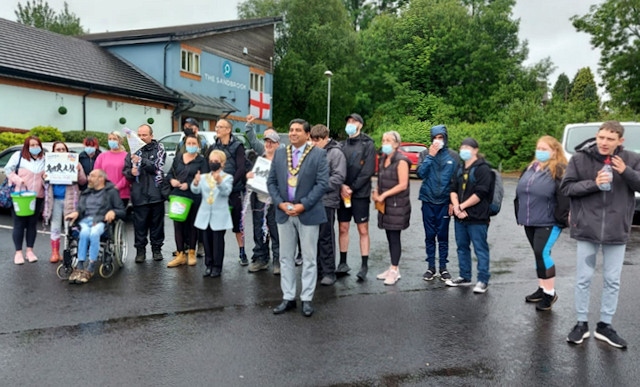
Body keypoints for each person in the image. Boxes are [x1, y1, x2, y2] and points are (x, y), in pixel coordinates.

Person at [561, 121, 640, 349]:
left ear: (620, 141)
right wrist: (593, 184)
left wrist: (626, 172)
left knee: (612, 281)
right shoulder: (579, 159)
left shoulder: (632, 159)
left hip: (617, 229)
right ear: (596, 136)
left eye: (610, 139)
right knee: (584, 279)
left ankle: (605, 325)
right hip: (587, 228)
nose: (604, 143)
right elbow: (567, 188)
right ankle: (581, 323)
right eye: (601, 137)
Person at [267, 118, 328, 317]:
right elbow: (271, 182)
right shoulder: (279, 154)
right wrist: (280, 203)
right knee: (286, 257)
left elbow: (322, 184)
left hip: (307, 212)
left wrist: (303, 205)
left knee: (309, 258)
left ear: (307, 134)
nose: (293, 133)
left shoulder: (319, 154)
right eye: (291, 130)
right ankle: (288, 297)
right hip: (284, 212)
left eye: (298, 130)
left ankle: (307, 299)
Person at [515, 136, 569, 311]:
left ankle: (550, 293)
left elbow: (565, 196)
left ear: (554, 151)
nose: (540, 152)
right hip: (530, 219)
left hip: (549, 220)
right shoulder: (531, 167)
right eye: (539, 148)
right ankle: (542, 288)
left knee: (542, 252)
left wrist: (562, 218)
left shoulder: (559, 169)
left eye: (545, 149)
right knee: (538, 254)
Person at [446, 137, 493, 294]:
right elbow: (452, 188)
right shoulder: (459, 168)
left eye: (468, 147)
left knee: (480, 249)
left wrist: (462, 206)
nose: (464, 150)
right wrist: (457, 207)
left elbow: (481, 193)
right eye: (462, 147)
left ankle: (483, 280)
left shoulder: (483, 168)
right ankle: (464, 276)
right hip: (460, 216)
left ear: (475, 150)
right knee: (462, 247)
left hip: (477, 217)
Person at [65, 169, 126, 284]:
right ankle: (80, 264)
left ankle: (91, 265)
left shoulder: (111, 192)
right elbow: (80, 208)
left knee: (93, 233)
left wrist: (113, 212)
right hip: (85, 221)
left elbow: (121, 210)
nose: (89, 178)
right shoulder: (86, 192)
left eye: (92, 176)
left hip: (101, 222)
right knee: (83, 233)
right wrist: (76, 213)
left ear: (101, 179)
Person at [417, 125, 459, 282]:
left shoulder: (453, 156)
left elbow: (456, 180)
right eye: (435, 137)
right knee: (429, 235)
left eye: (441, 137)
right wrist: (431, 156)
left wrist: (452, 202)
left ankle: (443, 268)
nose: (438, 140)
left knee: (443, 236)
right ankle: (430, 267)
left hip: (444, 203)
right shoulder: (424, 154)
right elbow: (420, 173)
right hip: (428, 200)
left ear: (445, 138)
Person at [337, 113, 376, 280]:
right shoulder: (341, 145)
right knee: (343, 228)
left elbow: (368, 170)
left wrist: (352, 188)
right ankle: (343, 262)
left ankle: (364, 265)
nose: (350, 124)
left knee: (362, 229)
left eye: (353, 122)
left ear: (360, 124)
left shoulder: (368, 144)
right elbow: (336, 167)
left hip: (360, 194)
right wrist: (341, 186)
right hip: (342, 194)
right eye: (348, 122)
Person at [206, 119, 249, 266]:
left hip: (234, 190)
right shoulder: (212, 147)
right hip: (217, 192)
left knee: (238, 224)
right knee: (218, 226)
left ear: (228, 130)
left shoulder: (238, 146)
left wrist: (229, 183)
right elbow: (208, 167)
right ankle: (217, 257)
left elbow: (241, 168)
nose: (217, 129)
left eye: (220, 127)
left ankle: (242, 251)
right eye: (216, 126)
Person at [123, 124, 166, 263]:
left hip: (156, 194)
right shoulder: (132, 152)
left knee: (157, 225)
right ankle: (140, 251)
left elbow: (157, 167)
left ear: (151, 136)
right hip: (139, 194)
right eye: (139, 135)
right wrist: (131, 172)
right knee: (140, 225)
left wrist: (141, 161)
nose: (141, 138)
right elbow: (126, 171)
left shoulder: (159, 148)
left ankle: (157, 249)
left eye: (144, 135)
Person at [310, 124, 346, 286]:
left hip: (327, 201)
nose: (313, 143)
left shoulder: (336, 153)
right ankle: (317, 269)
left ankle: (329, 272)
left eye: (317, 140)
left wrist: (319, 186)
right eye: (312, 140)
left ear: (325, 138)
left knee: (326, 237)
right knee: (313, 238)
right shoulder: (313, 151)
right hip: (313, 201)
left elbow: (338, 177)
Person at [373, 131, 411, 285]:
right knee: (389, 236)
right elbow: (379, 179)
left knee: (394, 237)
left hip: (397, 205)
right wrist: (376, 192)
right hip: (386, 205)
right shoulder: (383, 158)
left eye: (388, 140)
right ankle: (392, 267)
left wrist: (384, 195)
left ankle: (394, 270)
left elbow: (403, 184)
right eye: (383, 140)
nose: (385, 143)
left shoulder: (402, 161)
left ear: (396, 144)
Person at [166, 135, 208, 268]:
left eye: (193, 143)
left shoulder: (202, 161)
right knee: (178, 224)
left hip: (193, 195)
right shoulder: (178, 158)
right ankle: (180, 254)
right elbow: (170, 173)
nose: (191, 145)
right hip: (178, 194)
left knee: (192, 224)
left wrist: (189, 184)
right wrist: (171, 180)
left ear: (198, 145)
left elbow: (205, 178)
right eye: (188, 143)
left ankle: (191, 252)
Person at [191, 150, 234, 278]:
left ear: (222, 163)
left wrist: (220, 181)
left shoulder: (227, 177)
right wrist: (196, 182)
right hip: (205, 215)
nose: (213, 163)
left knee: (217, 242)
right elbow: (195, 191)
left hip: (219, 216)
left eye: (216, 161)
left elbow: (226, 192)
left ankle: (217, 266)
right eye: (211, 161)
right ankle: (208, 265)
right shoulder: (204, 177)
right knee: (206, 241)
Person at [42, 141, 87, 263]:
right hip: (55, 200)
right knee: (55, 226)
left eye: (63, 149)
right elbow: (44, 184)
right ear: (53, 151)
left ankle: (69, 252)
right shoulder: (48, 164)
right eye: (58, 149)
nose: (61, 151)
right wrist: (44, 177)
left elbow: (83, 181)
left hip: (70, 199)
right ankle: (55, 253)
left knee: (70, 227)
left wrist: (79, 171)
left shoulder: (75, 163)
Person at [6, 136, 46, 264]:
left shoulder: (44, 159)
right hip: (20, 196)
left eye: (37, 145)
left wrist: (45, 178)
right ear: (27, 146)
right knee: (19, 224)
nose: (35, 148)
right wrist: (18, 180)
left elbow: (48, 176)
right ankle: (18, 253)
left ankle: (30, 251)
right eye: (32, 145)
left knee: (32, 224)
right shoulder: (18, 156)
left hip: (37, 196)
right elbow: (8, 170)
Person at [246, 130, 281, 274]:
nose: (268, 144)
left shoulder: (282, 161)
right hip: (259, 201)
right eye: (266, 141)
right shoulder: (259, 159)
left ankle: (278, 261)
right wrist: (249, 175)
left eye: (272, 142)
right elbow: (251, 178)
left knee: (275, 232)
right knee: (259, 231)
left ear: (278, 144)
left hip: (275, 203)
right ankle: (261, 259)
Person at [95, 131, 130, 207]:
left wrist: (116, 187)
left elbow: (128, 175)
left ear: (120, 141)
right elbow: (96, 173)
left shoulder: (126, 156)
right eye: (110, 139)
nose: (111, 141)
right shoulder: (102, 156)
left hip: (121, 194)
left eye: (114, 139)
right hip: (104, 193)